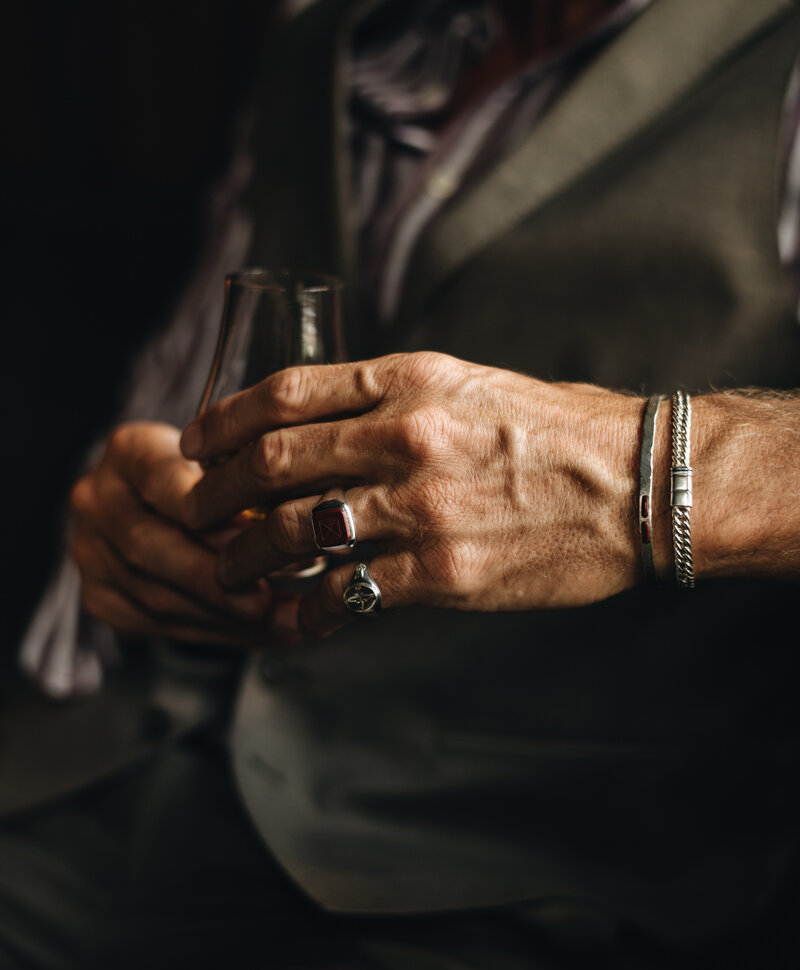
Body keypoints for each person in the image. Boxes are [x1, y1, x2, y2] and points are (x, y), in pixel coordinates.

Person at [3, 0, 800, 967]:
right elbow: (184, 410)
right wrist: (119, 523)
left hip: (514, 871)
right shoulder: (331, 37)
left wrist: (642, 464)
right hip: (109, 769)